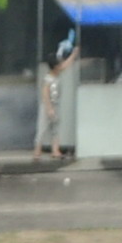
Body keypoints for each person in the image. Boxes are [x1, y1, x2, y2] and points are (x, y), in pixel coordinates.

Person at [32, 35, 77, 163]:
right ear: (54, 67)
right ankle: (37, 151)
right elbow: (45, 94)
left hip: (55, 104)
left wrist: (73, 54)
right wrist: (49, 108)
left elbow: (66, 65)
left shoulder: (57, 73)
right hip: (48, 106)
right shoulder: (48, 78)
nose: (60, 66)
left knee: (55, 128)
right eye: (58, 65)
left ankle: (55, 150)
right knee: (42, 127)